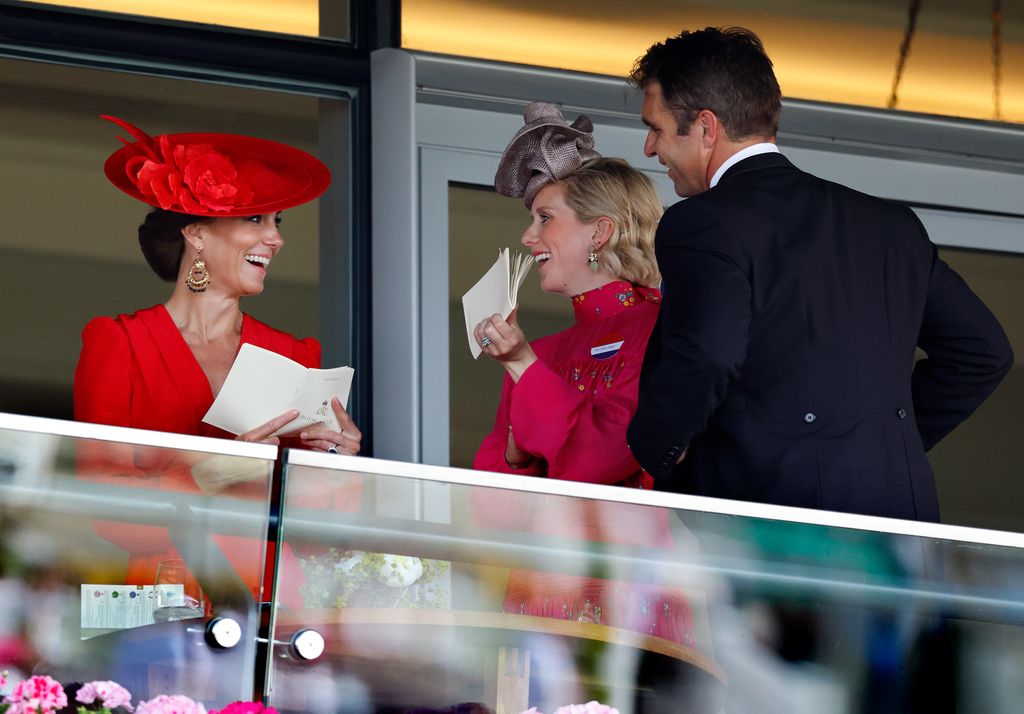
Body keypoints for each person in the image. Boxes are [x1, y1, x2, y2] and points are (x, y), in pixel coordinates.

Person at [626, 27, 1013, 521]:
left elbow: (707, 352)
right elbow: (983, 352)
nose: (649, 149)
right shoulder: (891, 226)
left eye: (655, 128)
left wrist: (659, 443)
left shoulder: (704, 222)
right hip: (898, 522)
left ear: (706, 127)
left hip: (766, 525)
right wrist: (889, 441)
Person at [74, 115, 362, 604]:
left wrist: (338, 465)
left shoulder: (295, 355)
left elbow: (322, 529)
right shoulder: (119, 342)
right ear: (198, 235)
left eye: (276, 221)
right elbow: (105, 507)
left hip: (276, 598)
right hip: (163, 596)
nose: (276, 238)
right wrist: (210, 472)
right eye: (255, 219)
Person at [471, 102, 696, 644]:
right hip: (537, 599)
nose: (528, 237)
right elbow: (490, 508)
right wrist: (521, 449)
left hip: (634, 603)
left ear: (600, 233)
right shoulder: (538, 351)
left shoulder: (670, 328)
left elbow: (602, 456)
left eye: (545, 218)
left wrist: (524, 382)